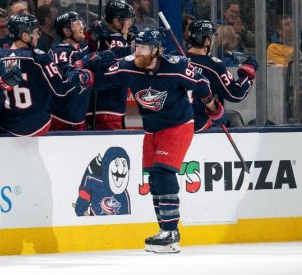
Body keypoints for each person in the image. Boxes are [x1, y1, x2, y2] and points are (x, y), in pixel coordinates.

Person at [94, 28, 223, 253]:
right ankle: (164, 230)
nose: (138, 52)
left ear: (156, 50)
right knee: (153, 179)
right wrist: (83, 75)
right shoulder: (127, 66)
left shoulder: (177, 67)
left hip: (178, 125)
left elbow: (202, 85)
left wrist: (214, 108)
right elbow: (101, 80)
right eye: (136, 47)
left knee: (164, 173)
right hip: (151, 128)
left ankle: (172, 232)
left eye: (143, 48)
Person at [0, 14, 93, 136]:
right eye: (35, 32)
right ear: (24, 35)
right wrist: (79, 78)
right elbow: (60, 89)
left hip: (6, 126)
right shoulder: (39, 57)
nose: (38, 36)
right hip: (36, 125)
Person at [186, 20, 257, 132]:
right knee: (224, 118)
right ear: (207, 41)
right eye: (212, 38)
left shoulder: (175, 59)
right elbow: (236, 93)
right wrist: (247, 74)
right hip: (200, 126)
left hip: (173, 123)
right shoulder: (212, 65)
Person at [49, 11, 114, 131]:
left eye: (81, 22)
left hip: (79, 116)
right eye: (76, 23)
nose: (82, 26)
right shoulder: (60, 52)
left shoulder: (83, 46)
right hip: (61, 119)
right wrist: (83, 63)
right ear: (67, 31)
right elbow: (64, 80)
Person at [85, 0, 135, 130]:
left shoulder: (108, 36)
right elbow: (117, 55)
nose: (130, 23)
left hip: (103, 104)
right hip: (107, 106)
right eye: (128, 19)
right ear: (117, 21)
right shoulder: (114, 38)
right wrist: (137, 46)